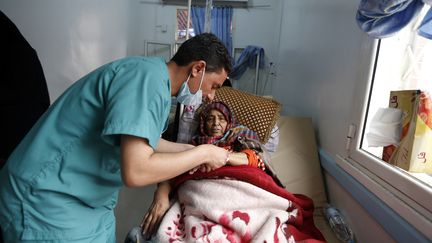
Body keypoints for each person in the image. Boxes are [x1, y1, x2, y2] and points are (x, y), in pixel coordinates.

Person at [0, 33, 232, 242]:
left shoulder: (157, 83)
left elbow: (147, 140)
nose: (211, 96)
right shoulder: (146, 79)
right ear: (198, 68)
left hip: (90, 201)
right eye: (214, 86)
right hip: (45, 198)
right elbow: (136, 171)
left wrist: (193, 150)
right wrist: (204, 153)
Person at [136, 101, 276, 241]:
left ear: (229, 122)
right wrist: (161, 195)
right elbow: (173, 171)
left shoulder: (239, 138)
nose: (216, 123)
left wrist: (222, 156)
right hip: (198, 195)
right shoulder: (193, 147)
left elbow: (256, 158)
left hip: (236, 192)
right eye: (210, 118)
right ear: (203, 123)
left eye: (221, 118)